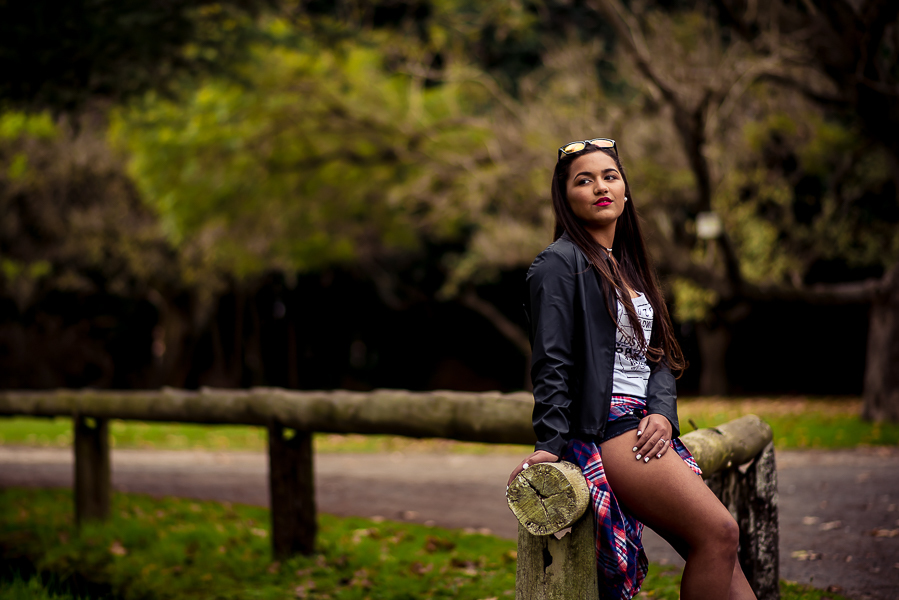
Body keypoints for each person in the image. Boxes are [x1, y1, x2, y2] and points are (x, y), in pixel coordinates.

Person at [507, 138, 756, 600]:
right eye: (584, 180)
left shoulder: (629, 268)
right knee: (720, 533)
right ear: (566, 196)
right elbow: (552, 362)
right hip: (612, 431)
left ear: (624, 192)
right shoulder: (557, 266)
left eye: (610, 176)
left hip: (646, 424)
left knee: (721, 551)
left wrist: (663, 412)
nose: (600, 187)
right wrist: (549, 444)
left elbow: (656, 353)